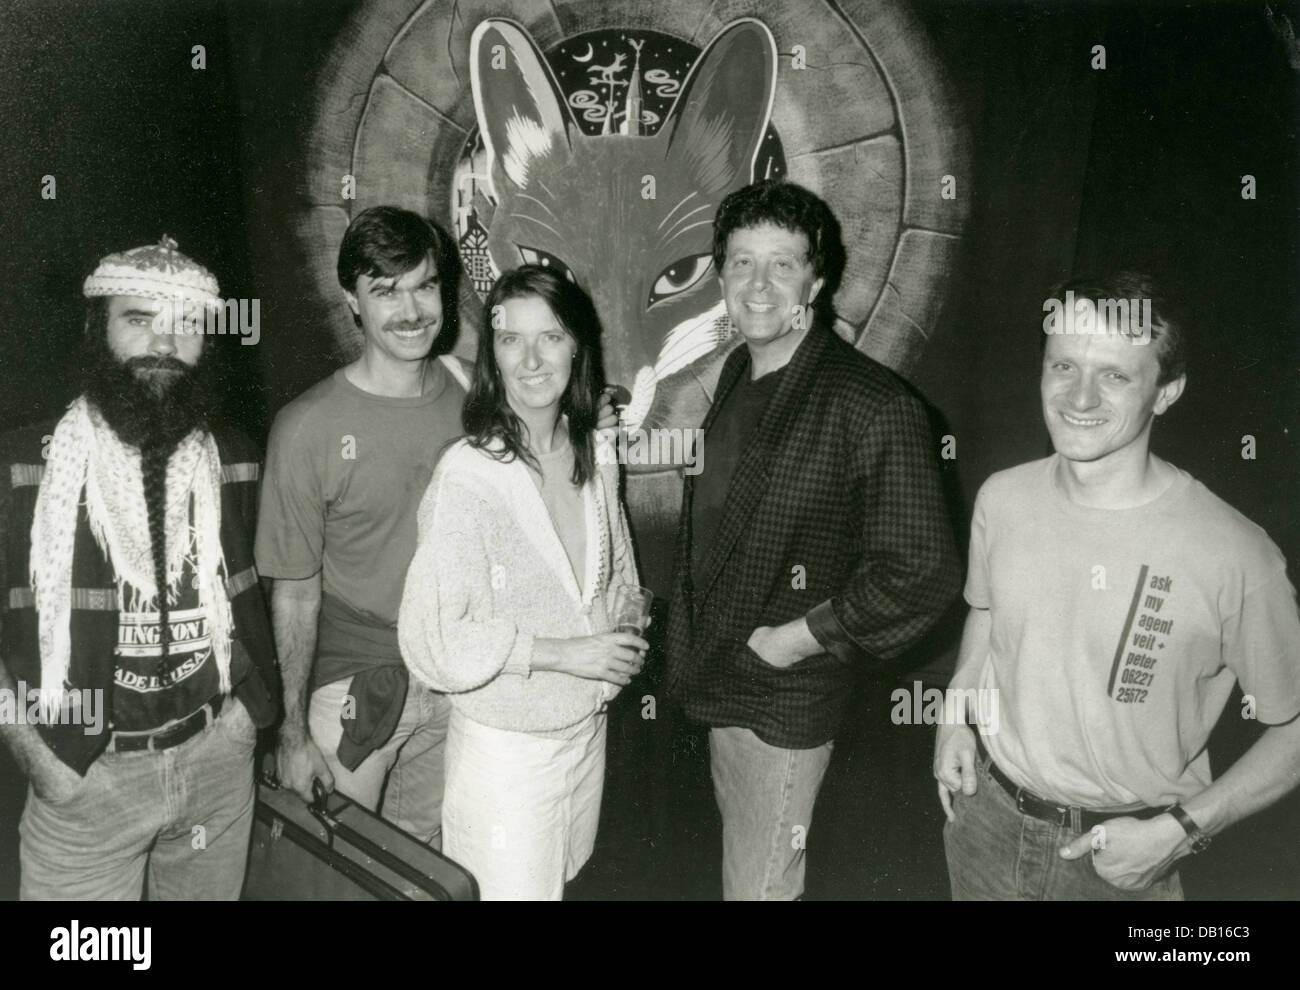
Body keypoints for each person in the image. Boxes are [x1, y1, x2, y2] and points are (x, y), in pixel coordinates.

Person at [935, 272, 1300, 900]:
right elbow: (987, 611)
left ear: (1166, 391)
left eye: (1115, 375)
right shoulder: (1003, 497)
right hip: (983, 824)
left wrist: (1182, 832)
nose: (1079, 397)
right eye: (1064, 366)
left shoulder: (1236, 555)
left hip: (1121, 863)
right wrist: (956, 715)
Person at [664, 180, 963, 901]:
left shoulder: (874, 404)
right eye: (741, 263)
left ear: (818, 279)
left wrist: (798, 638)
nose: (760, 285)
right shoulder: (740, 370)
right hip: (718, 686)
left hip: (782, 704)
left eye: (783, 264)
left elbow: (923, 572)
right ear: (720, 275)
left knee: (762, 891)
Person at [0, 237, 279, 899]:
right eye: (139, 318)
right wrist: (34, 751)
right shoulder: (19, 470)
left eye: (186, 324)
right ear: (97, 330)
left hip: (216, 766)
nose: (164, 343)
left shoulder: (235, 460)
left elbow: (261, 599)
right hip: (87, 779)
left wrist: (245, 721)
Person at [398, 264, 645, 900]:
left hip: (587, 733)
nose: (533, 359)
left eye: (552, 337)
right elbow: (433, 643)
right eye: (511, 339)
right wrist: (568, 654)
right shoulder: (469, 476)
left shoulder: (596, 448)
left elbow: (616, 575)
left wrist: (622, 619)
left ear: (577, 347)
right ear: (493, 357)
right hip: (507, 756)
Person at [256, 207, 468, 846]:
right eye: (386, 291)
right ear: (352, 299)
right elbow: (293, 590)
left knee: (425, 863)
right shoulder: (306, 428)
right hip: (354, 687)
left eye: (424, 286)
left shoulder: (471, 398)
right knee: (339, 868)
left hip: (456, 678)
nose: (411, 310)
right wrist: (290, 733)